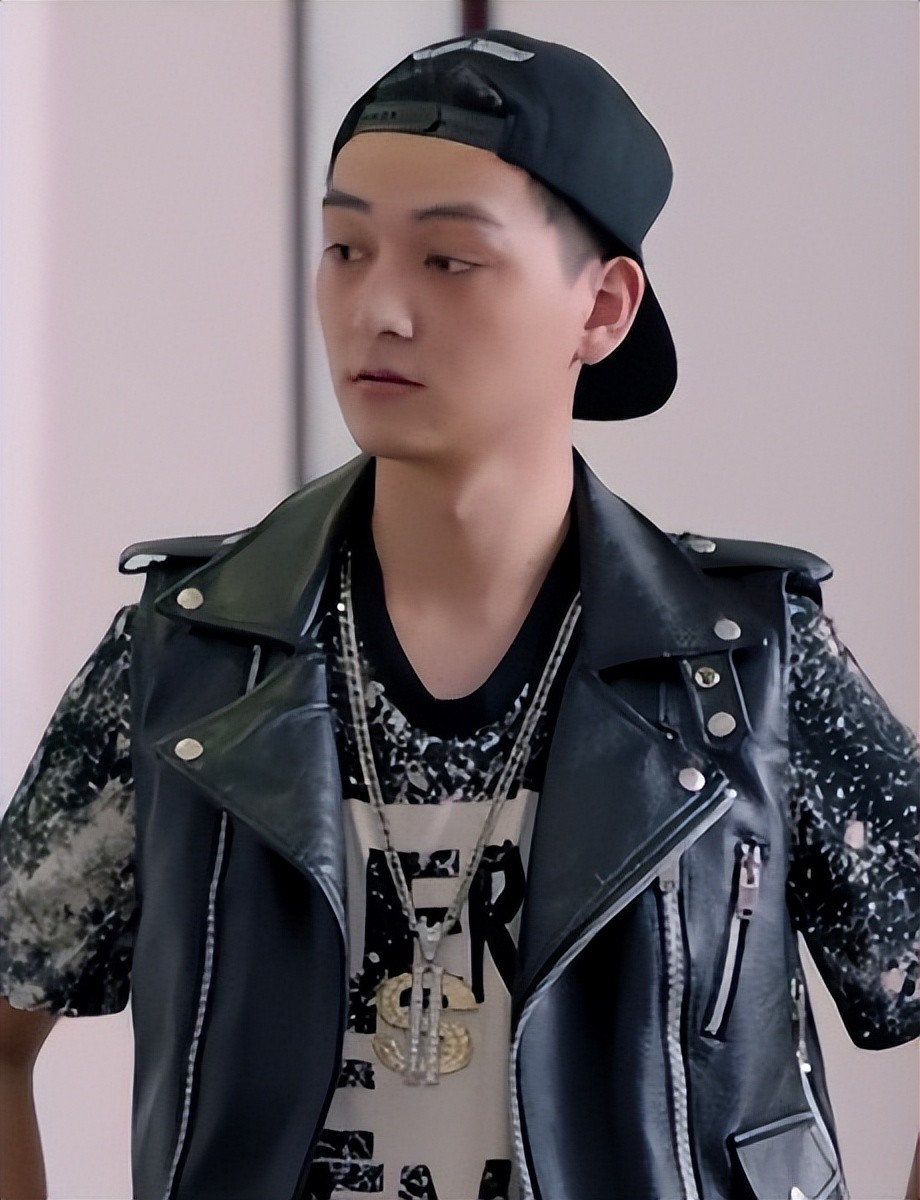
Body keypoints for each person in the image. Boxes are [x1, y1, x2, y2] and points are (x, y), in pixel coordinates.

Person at [1, 28, 917, 1200]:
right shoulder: (188, 657)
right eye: (344, 248)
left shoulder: (745, 671)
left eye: (448, 261)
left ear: (601, 307)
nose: (375, 308)